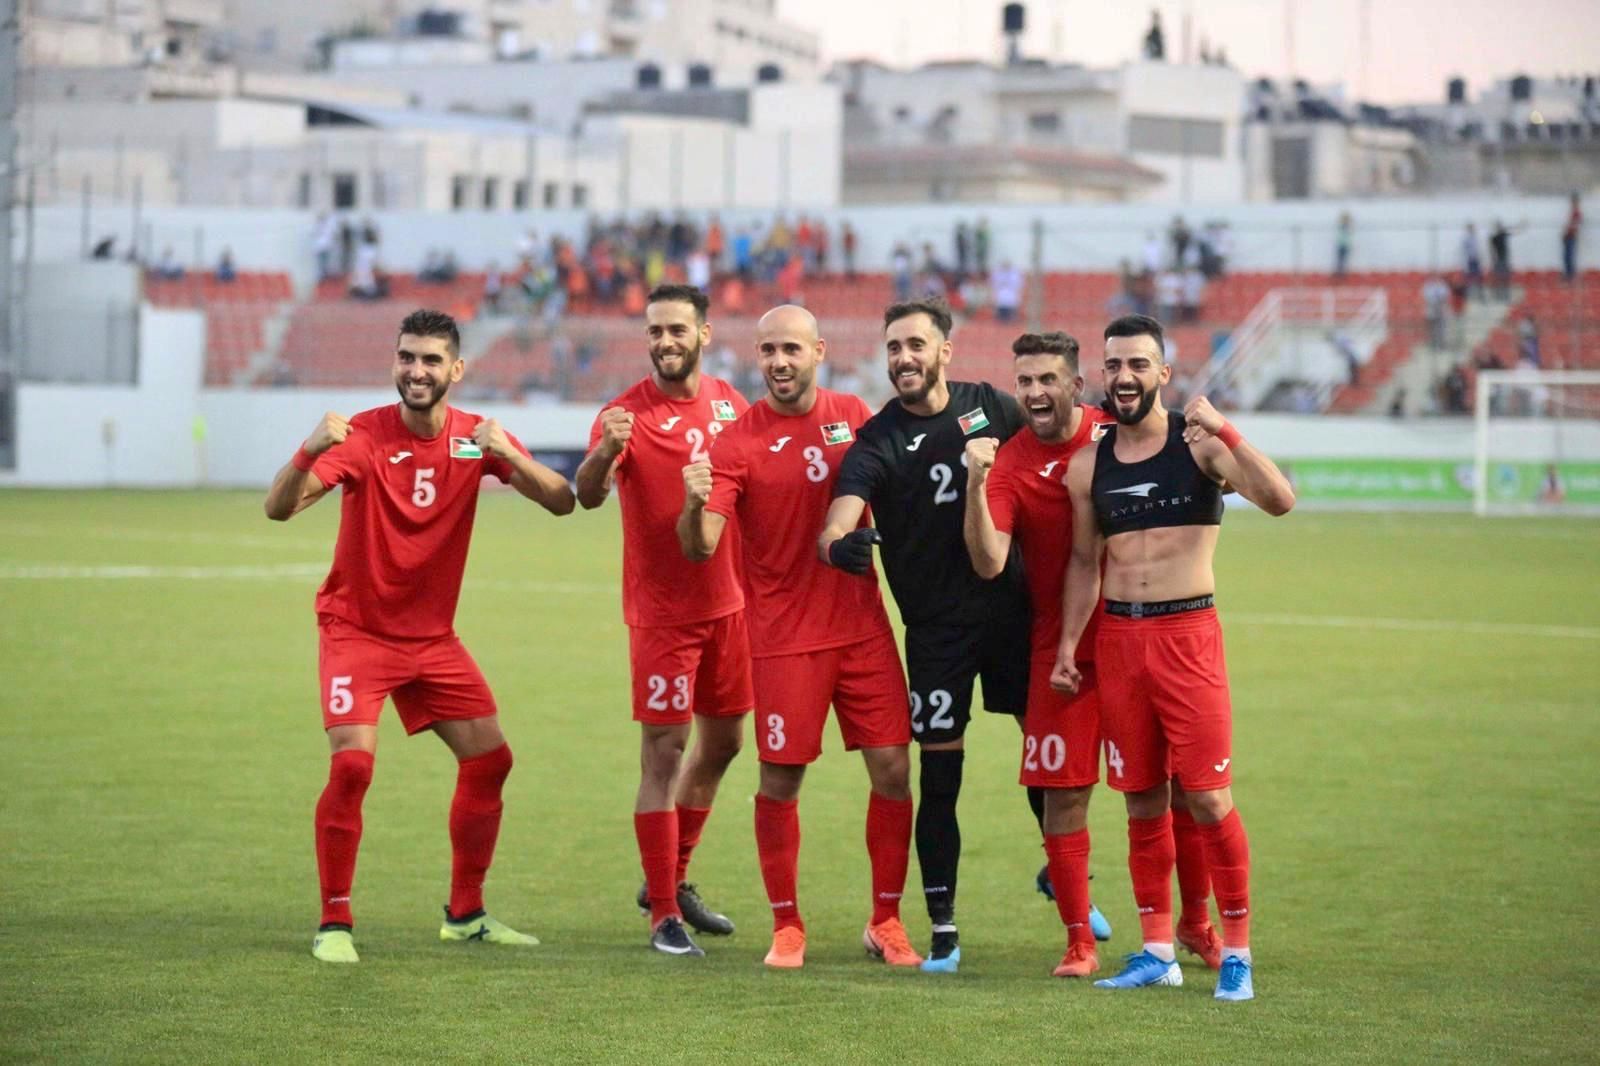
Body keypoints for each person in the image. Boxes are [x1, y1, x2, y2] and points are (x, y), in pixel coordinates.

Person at [262, 308, 576, 964]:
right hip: (357, 632)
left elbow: (561, 499)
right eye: (407, 357)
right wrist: (308, 449)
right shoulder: (363, 435)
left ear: (456, 369)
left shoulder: (476, 439)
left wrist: (508, 455)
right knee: (352, 765)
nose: (416, 370)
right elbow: (279, 507)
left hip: (432, 641)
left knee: (490, 761)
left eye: (431, 360)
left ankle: (466, 914)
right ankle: (334, 921)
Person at [1052, 313, 1295, 1002]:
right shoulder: (1088, 464)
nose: (1124, 376)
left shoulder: (1200, 445)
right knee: (1140, 798)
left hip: (1188, 636)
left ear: (1163, 372)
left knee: (1210, 797)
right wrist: (1069, 645)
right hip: (1119, 641)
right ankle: (1158, 950)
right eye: (1114, 365)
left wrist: (1227, 430)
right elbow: (1083, 561)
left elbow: (1280, 500)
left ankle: (1238, 952)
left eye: (1138, 364)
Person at [678, 304, 920, 971]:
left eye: (791, 349)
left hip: (862, 628)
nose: (779, 362)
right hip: (784, 638)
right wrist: (693, 501)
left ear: (819, 350)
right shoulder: (737, 442)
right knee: (781, 780)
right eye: (768, 351)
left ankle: (886, 920)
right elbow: (700, 546)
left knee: (894, 770)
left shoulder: (855, 416)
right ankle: (787, 927)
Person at [817, 298, 1046, 974]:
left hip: (1012, 617)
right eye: (894, 347)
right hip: (937, 637)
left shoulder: (990, 406)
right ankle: (943, 925)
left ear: (945, 350)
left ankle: (1063, 873)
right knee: (940, 777)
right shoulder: (878, 439)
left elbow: (1056, 439)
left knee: (1046, 755)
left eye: (916, 344)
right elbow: (837, 520)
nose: (904, 358)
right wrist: (838, 546)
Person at [573, 284, 751, 958]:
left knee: (725, 743)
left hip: (730, 607)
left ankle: (669, 880)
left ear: (704, 334)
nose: (665, 342)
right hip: (664, 617)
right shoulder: (623, 415)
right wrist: (602, 453)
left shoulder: (731, 404)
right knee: (663, 754)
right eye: (655, 331)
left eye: (677, 329)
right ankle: (664, 917)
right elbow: (588, 496)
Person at [960, 331, 1118, 978]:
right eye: (1024, 381)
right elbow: (989, 561)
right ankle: (1080, 943)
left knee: (1173, 791)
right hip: (1058, 652)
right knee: (1063, 797)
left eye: (1047, 379)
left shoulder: (1115, 434)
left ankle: (1192, 927)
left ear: (1076, 384)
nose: (1034, 392)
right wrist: (976, 483)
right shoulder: (1010, 463)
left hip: (1139, 636)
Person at [1562, 193, 1581, 283]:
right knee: (1567, 257)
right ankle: (1568, 276)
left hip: (1571, 237)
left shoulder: (1576, 212)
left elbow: (1574, 225)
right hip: (1568, 236)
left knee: (1569, 257)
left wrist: (1567, 232)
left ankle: (1570, 277)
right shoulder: (1573, 212)